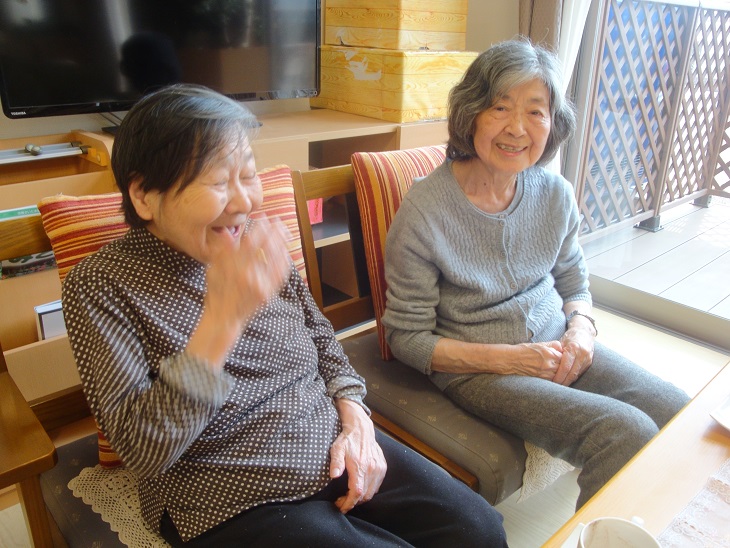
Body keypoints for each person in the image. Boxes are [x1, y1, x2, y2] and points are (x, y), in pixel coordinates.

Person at [61, 84, 507, 547]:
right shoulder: (100, 285)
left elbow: (319, 334)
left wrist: (355, 416)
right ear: (143, 195)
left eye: (248, 175)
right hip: (227, 497)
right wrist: (222, 321)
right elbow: (143, 451)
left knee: (479, 529)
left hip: (330, 443)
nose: (245, 203)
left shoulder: (251, 237)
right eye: (218, 182)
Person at [382, 39, 690, 510]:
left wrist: (582, 328)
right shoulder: (425, 210)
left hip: (559, 344)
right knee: (623, 432)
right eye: (500, 107)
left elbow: (573, 279)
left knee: (676, 409)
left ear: (553, 123)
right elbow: (406, 338)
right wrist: (512, 360)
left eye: (535, 111)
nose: (517, 128)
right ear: (470, 114)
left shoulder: (554, 193)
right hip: (479, 369)